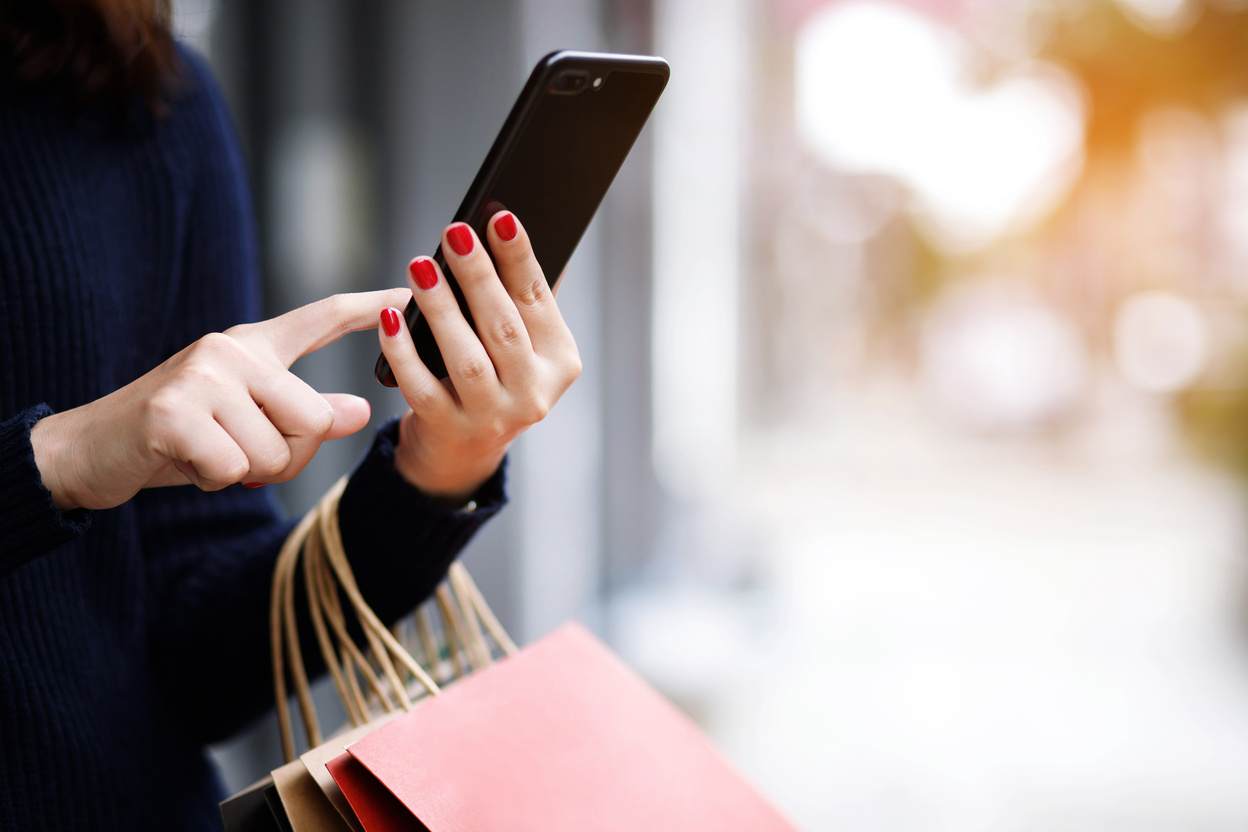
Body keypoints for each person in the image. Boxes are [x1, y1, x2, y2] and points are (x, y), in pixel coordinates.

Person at [0, 2, 581, 829]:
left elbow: (196, 660)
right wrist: (54, 462)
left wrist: (436, 472)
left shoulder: (143, 92)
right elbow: (64, 467)